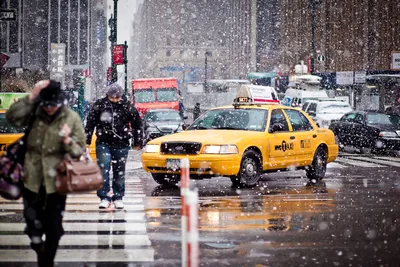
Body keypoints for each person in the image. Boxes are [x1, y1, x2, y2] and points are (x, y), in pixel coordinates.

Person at [6, 80, 86, 267]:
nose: (49, 109)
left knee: (54, 226)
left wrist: (67, 140)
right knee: (33, 224)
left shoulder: (71, 118)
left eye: (53, 105)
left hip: (57, 181)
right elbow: (12, 116)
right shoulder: (34, 112)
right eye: (46, 105)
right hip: (31, 178)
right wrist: (32, 96)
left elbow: (79, 150)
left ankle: (47, 260)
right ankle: (38, 245)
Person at [85, 83, 143, 209]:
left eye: (118, 97)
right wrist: (87, 140)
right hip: (103, 142)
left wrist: (137, 142)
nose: (116, 100)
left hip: (121, 143)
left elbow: (137, 124)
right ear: (108, 95)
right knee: (103, 170)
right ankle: (104, 197)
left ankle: (118, 196)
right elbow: (90, 122)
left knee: (119, 171)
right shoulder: (100, 105)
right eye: (113, 97)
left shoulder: (127, 106)